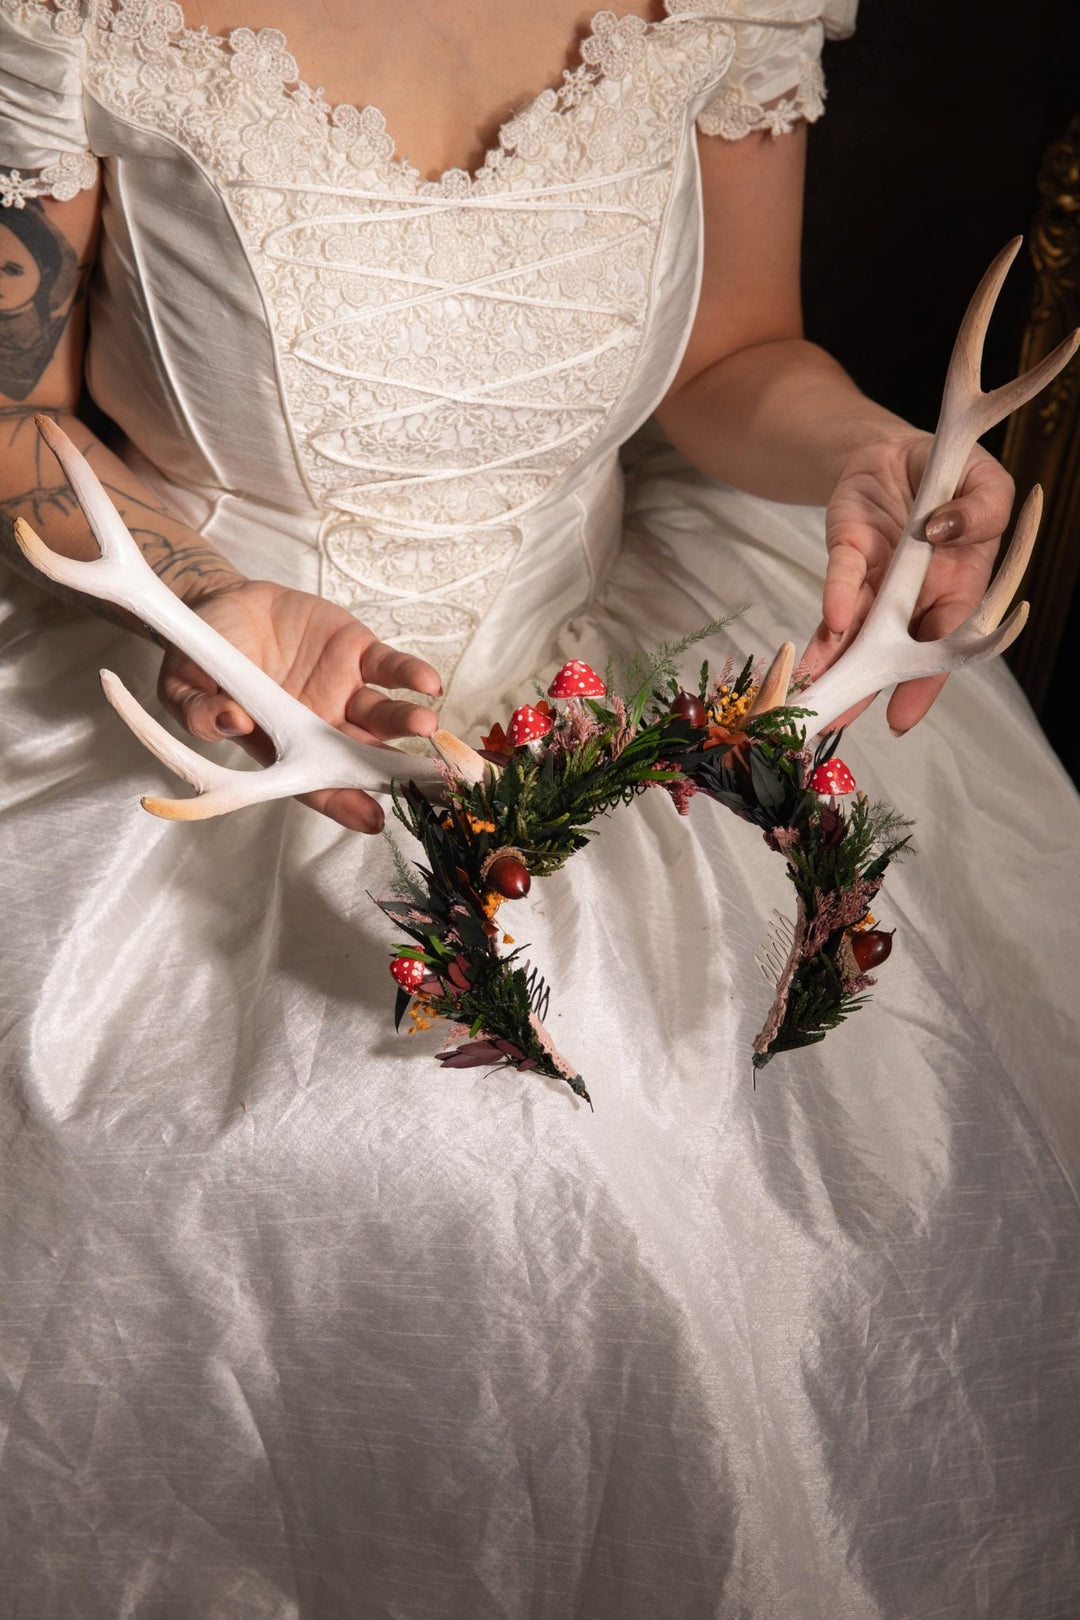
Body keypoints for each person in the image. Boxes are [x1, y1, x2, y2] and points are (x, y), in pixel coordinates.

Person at [1, 2, 1078, 1615]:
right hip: (217, 667)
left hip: (610, 639)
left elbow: (730, 355)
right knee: (383, 1176)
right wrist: (208, 603)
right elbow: (14, 412)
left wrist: (865, 450)